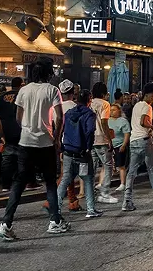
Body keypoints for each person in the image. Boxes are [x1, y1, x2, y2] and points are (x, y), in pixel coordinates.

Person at [0, 58, 68, 241]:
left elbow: (18, 117)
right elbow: (60, 117)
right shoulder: (52, 90)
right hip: (45, 142)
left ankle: (6, 223)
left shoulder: (23, 90)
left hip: (25, 143)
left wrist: (28, 129)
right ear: (49, 73)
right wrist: (56, 138)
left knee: (19, 182)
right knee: (50, 182)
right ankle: (55, 221)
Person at [122, 83, 153, 211]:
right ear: (147, 95)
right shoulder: (147, 106)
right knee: (151, 170)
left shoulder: (136, 106)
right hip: (144, 141)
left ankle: (127, 201)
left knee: (131, 172)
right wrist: (152, 127)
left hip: (134, 141)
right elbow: (143, 121)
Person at [57, 89, 103, 218]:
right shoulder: (89, 114)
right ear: (89, 99)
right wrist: (88, 147)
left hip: (68, 150)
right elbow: (89, 132)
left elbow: (62, 129)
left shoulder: (69, 113)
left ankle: (56, 208)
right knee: (88, 179)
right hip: (82, 151)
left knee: (65, 179)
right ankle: (91, 209)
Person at [42, 79, 82, 212]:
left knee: (67, 172)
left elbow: (53, 126)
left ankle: (72, 200)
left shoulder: (54, 108)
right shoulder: (75, 107)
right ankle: (51, 201)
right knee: (67, 174)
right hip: (72, 143)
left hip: (58, 142)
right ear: (73, 92)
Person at [89, 82, 117, 204]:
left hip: (91, 138)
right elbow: (104, 122)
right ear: (103, 93)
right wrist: (109, 139)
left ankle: (90, 193)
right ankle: (104, 192)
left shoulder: (89, 103)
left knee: (92, 167)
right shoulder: (105, 104)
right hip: (102, 138)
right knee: (108, 165)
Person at [0, 77, 25, 193]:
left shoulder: (1, 98)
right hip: (20, 130)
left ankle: (5, 184)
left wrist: (0, 132)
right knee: (22, 158)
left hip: (5, 130)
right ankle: (21, 183)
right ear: (21, 85)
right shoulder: (22, 96)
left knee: (7, 159)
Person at [109, 104, 130, 192]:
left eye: (114, 110)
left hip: (119, 145)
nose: (112, 112)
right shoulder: (107, 120)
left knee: (121, 165)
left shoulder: (123, 121)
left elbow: (126, 134)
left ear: (119, 111)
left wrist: (124, 145)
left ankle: (122, 183)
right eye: (111, 110)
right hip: (110, 145)